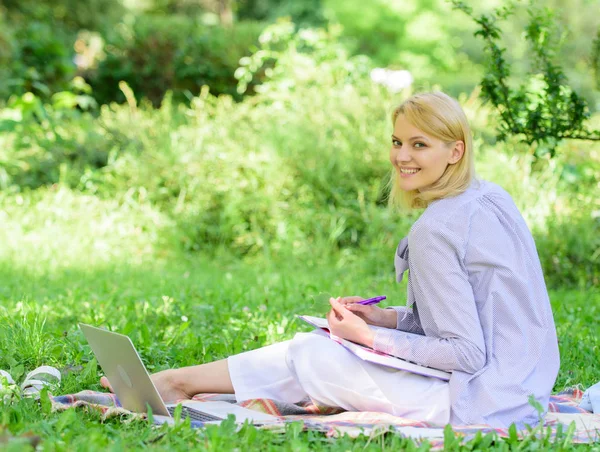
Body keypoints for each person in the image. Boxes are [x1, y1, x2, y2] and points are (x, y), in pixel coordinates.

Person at [101, 91, 560, 428]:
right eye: (397, 142)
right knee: (315, 350)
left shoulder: (436, 230)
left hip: (483, 401)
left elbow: (465, 351)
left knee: (318, 354)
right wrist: (383, 318)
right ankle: (178, 383)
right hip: (524, 388)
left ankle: (176, 385)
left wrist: (368, 337)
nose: (402, 156)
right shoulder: (488, 197)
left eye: (419, 145)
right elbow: (472, 315)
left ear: (454, 151)